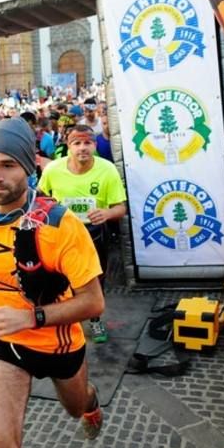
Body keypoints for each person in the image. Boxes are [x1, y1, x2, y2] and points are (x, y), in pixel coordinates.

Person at [0, 118, 105, 448]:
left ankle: (90, 399)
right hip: (2, 340)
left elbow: (94, 302)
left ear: (28, 165)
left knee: (75, 406)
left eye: (8, 165)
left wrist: (31, 317)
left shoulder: (60, 224)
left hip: (58, 344)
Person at [39, 125, 127, 344]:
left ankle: (95, 319)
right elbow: (39, 198)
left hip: (93, 233)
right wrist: (50, 210)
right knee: (59, 279)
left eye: (87, 142)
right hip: (60, 234)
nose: (82, 148)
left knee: (95, 279)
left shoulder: (107, 170)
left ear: (95, 145)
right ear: (68, 146)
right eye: (76, 143)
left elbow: (121, 208)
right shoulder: (53, 170)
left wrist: (106, 213)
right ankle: (65, 319)